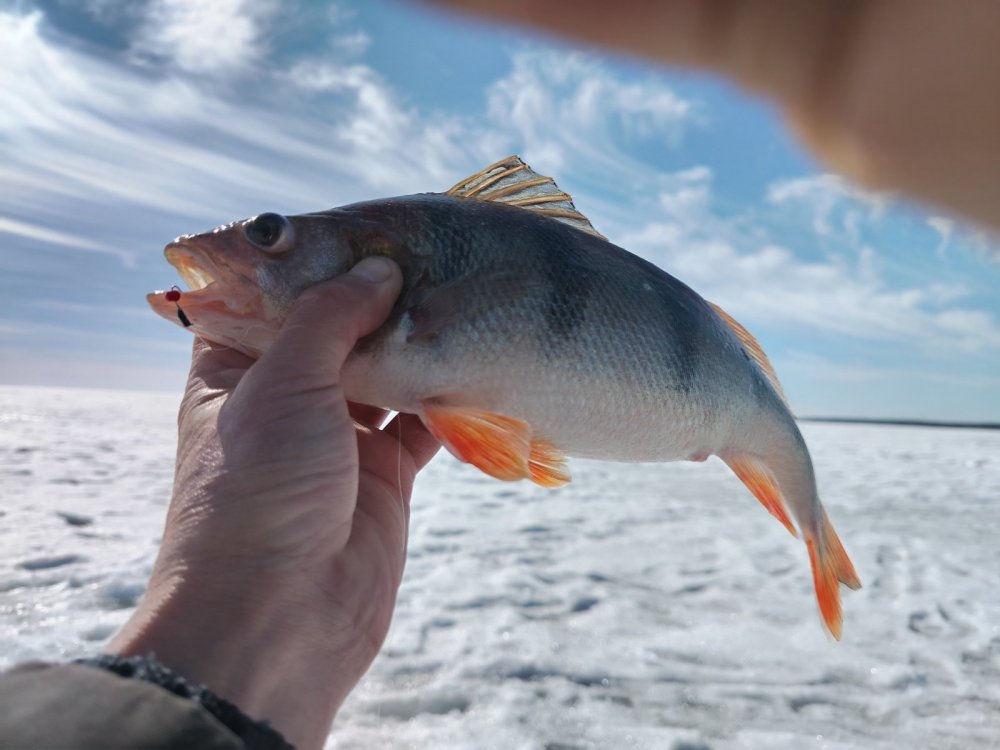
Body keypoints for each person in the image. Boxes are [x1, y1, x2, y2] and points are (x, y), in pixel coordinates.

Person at [2, 2, 999, 748]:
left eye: (270, 236)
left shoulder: (403, 306)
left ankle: (813, 530)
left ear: (377, 270)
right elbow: (478, 416)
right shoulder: (381, 335)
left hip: (712, 392)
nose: (226, 254)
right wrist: (250, 579)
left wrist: (222, 610)